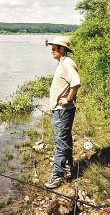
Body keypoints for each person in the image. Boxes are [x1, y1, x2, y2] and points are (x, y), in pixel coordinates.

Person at [44, 36, 81, 189]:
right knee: (65, 140)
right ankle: (67, 168)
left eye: (55, 47)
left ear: (62, 49)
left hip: (62, 111)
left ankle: (57, 176)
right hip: (61, 111)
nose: (52, 50)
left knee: (61, 142)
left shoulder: (67, 63)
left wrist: (67, 99)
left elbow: (76, 83)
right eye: (52, 47)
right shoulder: (63, 63)